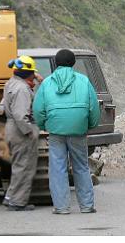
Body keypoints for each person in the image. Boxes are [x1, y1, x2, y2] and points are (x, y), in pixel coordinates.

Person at [32, 49, 100, 214]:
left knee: (57, 167)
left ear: (56, 63)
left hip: (56, 131)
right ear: (73, 63)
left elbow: (38, 109)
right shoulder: (83, 81)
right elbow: (94, 108)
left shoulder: (47, 83)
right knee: (81, 166)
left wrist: (43, 126)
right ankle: (86, 206)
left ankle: (62, 207)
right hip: (78, 130)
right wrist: (89, 125)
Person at [3, 56, 40, 211]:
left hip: (11, 128)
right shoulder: (22, 89)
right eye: (32, 73)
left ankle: (11, 197)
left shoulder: (11, 83)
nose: (34, 75)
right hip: (20, 130)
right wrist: (29, 131)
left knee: (18, 165)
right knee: (25, 166)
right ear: (27, 73)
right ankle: (18, 202)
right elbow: (20, 115)